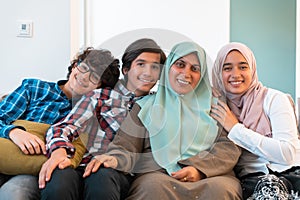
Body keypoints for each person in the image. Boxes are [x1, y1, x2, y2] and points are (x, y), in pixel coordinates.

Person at [83, 41, 243, 200]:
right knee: (151, 188)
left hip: (210, 174)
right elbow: (126, 145)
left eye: (195, 69)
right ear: (167, 68)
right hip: (159, 175)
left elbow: (229, 146)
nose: (186, 73)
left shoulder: (216, 104)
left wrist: (198, 169)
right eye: (180, 64)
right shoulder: (144, 107)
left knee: (221, 190)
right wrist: (115, 158)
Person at [38, 38, 166, 200]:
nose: (148, 72)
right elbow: (65, 127)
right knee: (59, 179)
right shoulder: (102, 95)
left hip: (115, 172)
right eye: (141, 64)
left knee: (102, 177)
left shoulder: (158, 106)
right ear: (126, 70)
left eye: (155, 67)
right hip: (80, 163)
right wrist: (58, 152)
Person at [0, 47, 119, 200]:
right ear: (75, 65)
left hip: (34, 172)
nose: (84, 77)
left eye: (94, 77)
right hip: (8, 151)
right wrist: (14, 132)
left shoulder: (90, 112)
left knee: (16, 193)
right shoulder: (35, 88)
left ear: (99, 88)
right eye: (83, 68)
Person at [210, 42, 300, 199]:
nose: (235, 74)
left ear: (252, 69)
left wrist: (235, 128)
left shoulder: (274, 99)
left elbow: (287, 153)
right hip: (251, 179)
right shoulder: (217, 106)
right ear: (218, 72)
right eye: (227, 68)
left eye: (243, 67)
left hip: (290, 173)